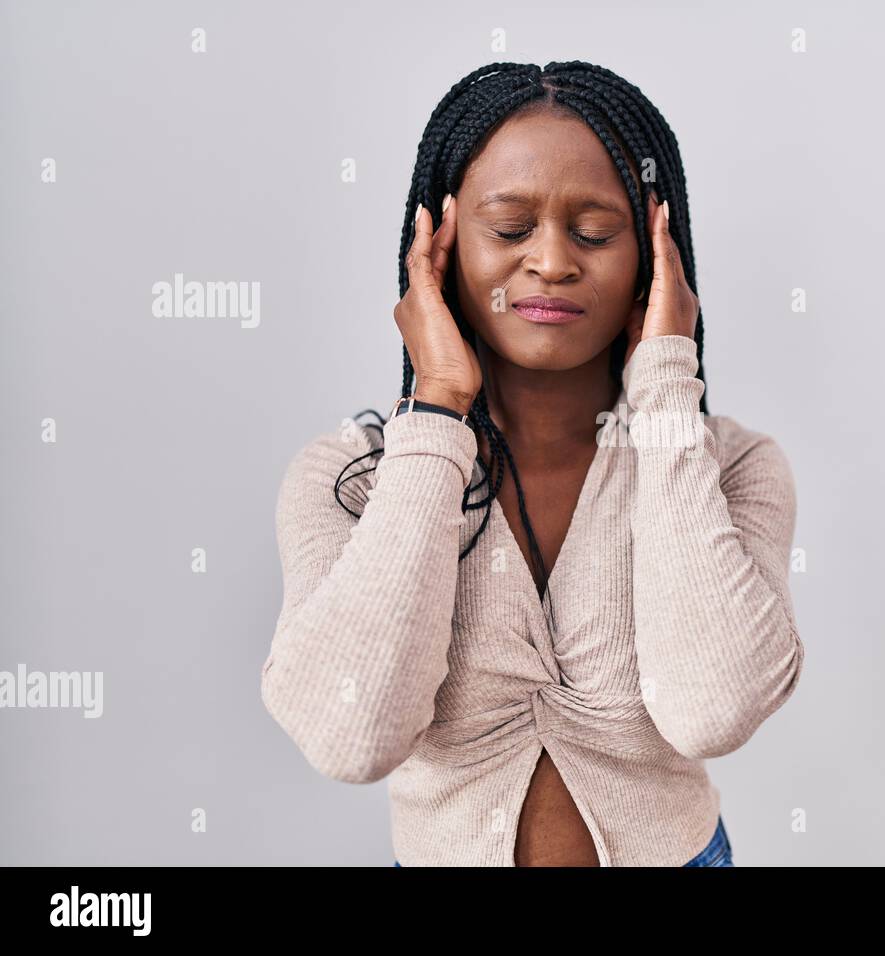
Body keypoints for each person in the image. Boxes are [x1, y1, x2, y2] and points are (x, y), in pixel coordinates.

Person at [260, 61, 804, 866]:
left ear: (657, 258)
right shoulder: (351, 477)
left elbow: (712, 710)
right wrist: (437, 407)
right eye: (511, 228)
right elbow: (350, 740)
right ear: (435, 246)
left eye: (593, 232)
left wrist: (664, 382)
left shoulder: (731, 469)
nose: (551, 262)